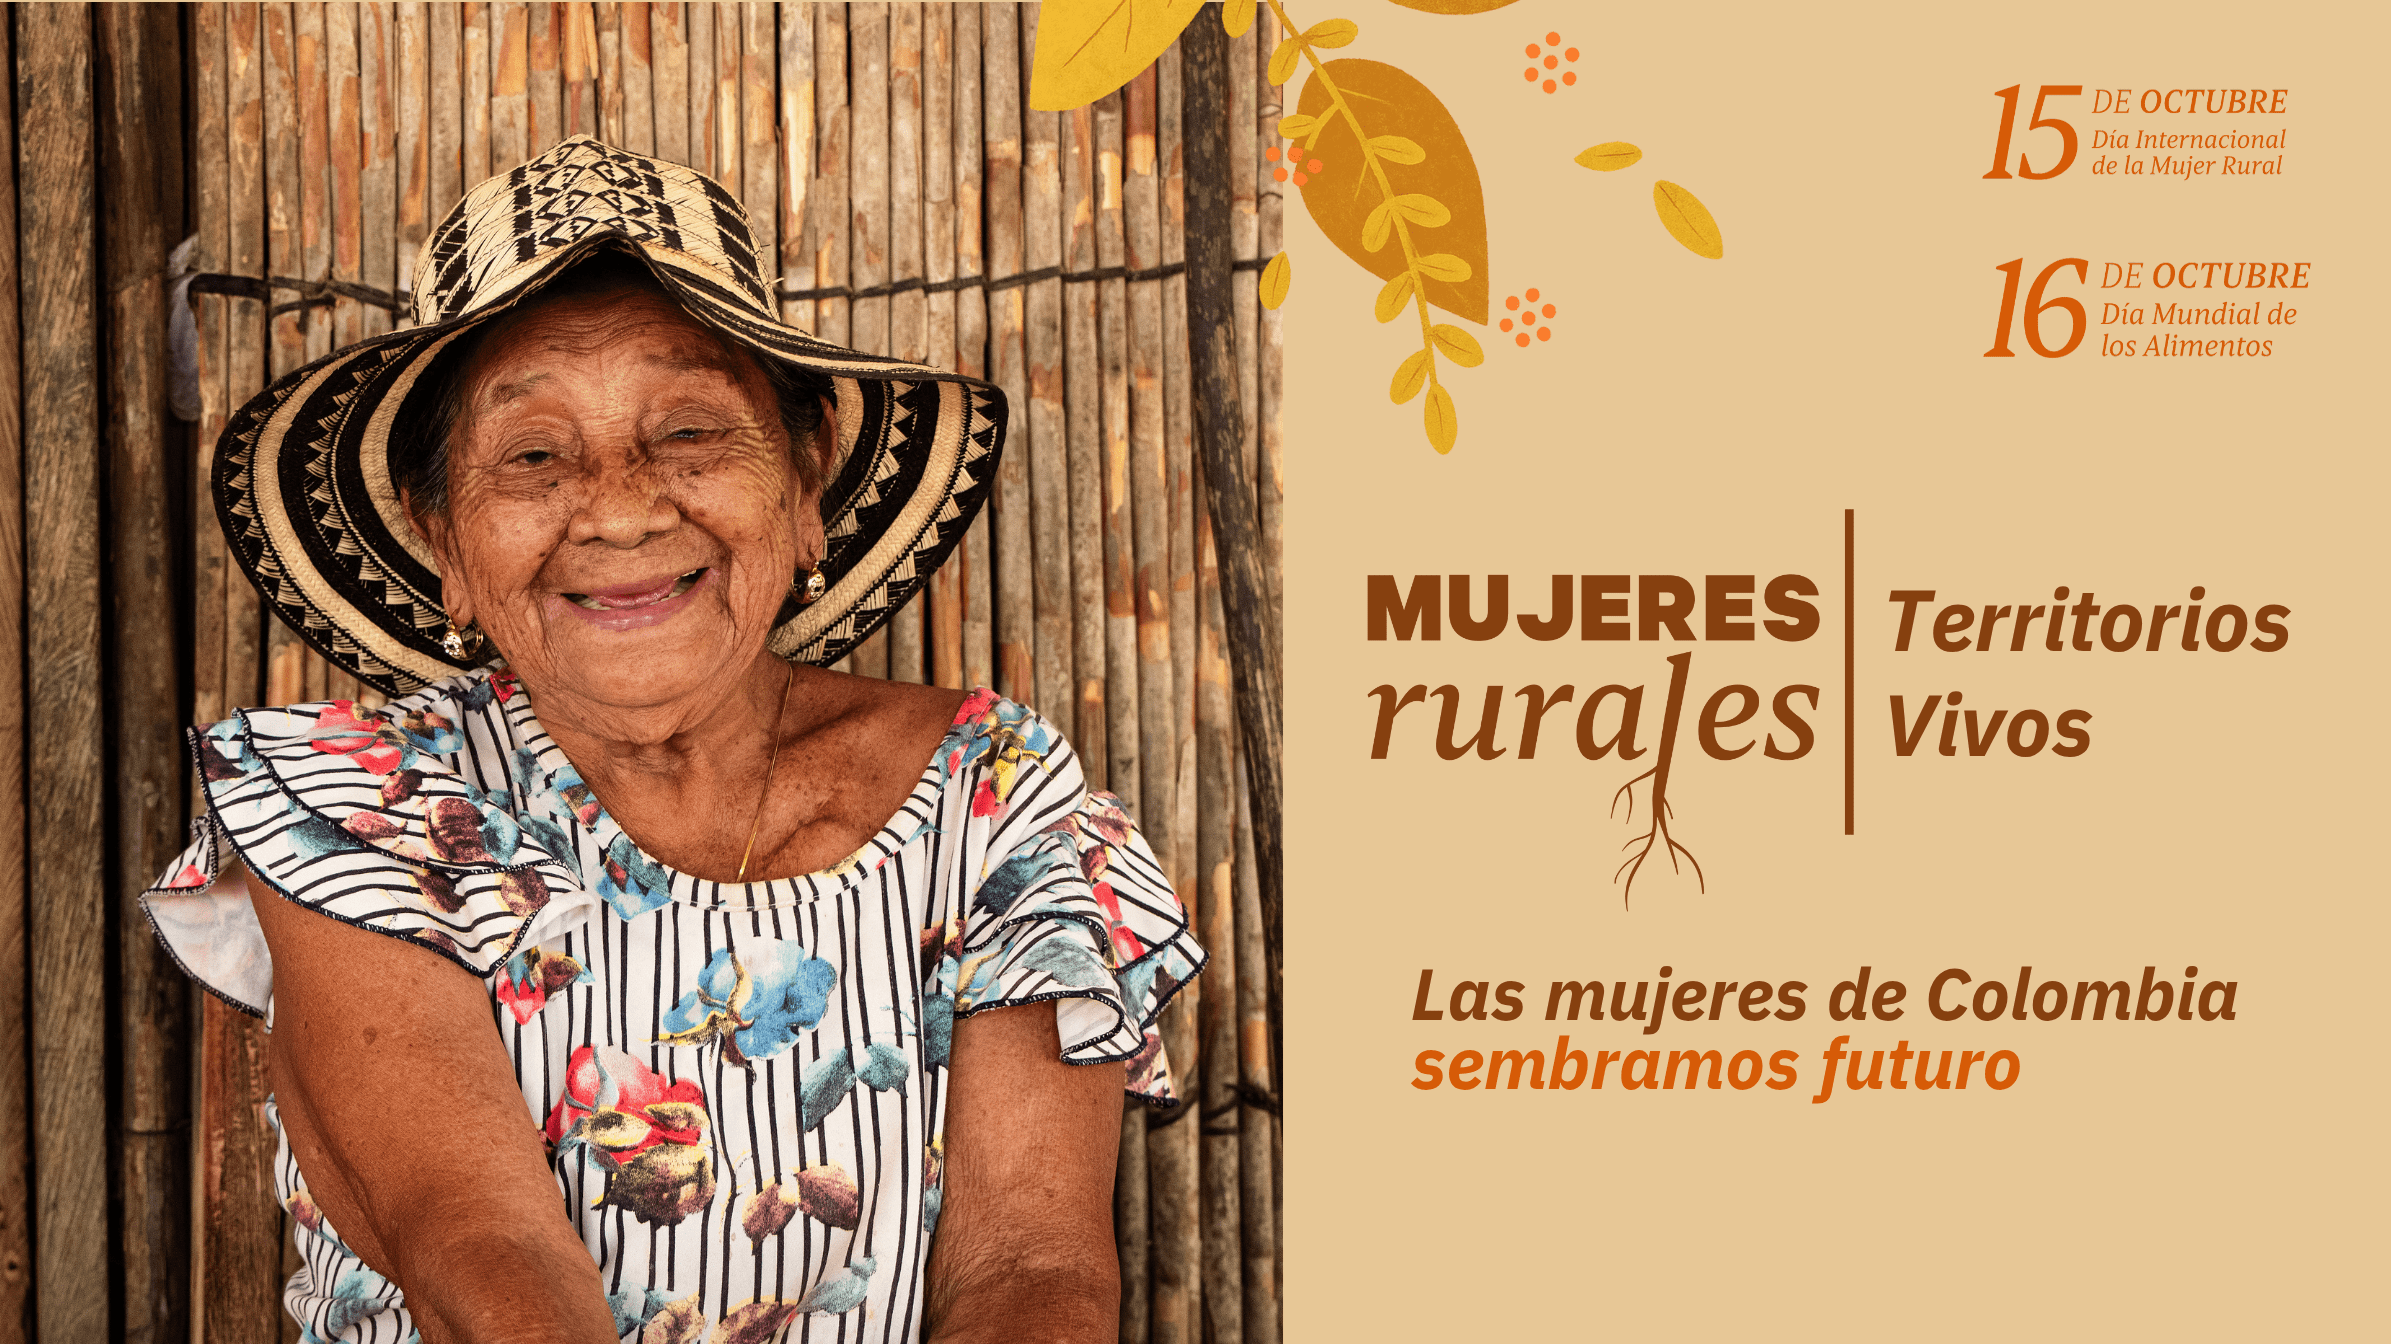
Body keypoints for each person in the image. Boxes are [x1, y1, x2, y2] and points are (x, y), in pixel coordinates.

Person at [143, 137, 1200, 1344]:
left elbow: (1034, 1273)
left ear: (806, 487)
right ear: (446, 545)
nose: (624, 504)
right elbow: (480, 1263)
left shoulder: (991, 796)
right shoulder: (359, 802)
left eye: (691, 432)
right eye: (534, 455)